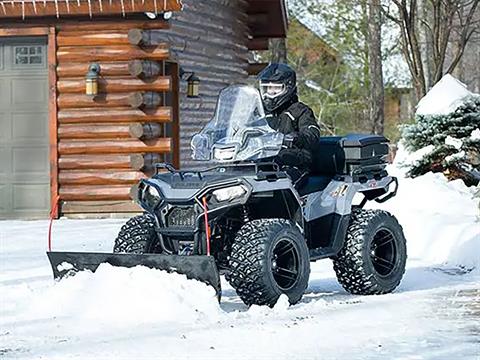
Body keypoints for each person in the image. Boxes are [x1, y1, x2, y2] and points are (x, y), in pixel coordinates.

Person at [258, 63, 321, 182]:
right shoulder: (259, 112)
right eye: (268, 88)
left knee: (281, 171)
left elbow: (313, 134)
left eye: (276, 88)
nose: (270, 93)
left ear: (288, 87)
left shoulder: (300, 111)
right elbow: (244, 127)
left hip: (294, 163)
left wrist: (296, 138)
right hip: (264, 160)